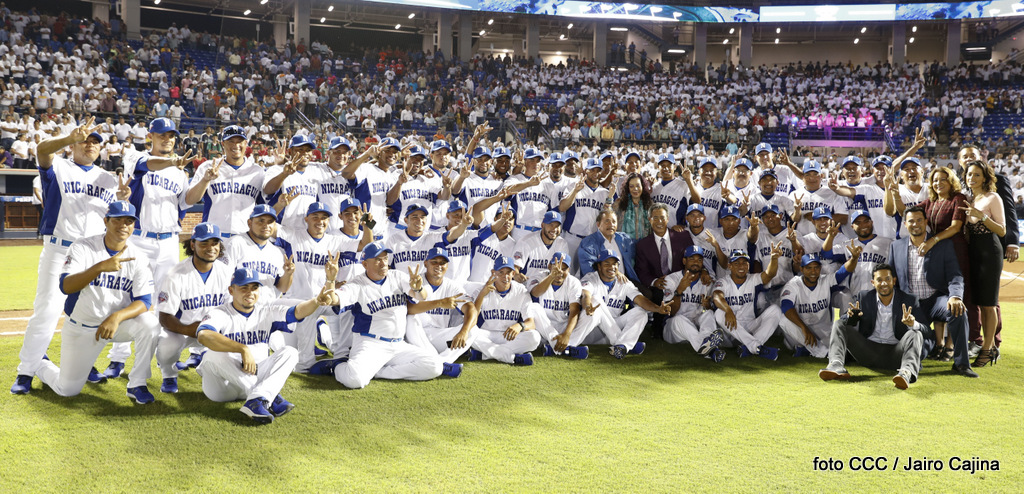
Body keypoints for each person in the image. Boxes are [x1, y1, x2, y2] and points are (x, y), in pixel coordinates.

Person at [12, 118, 126, 395]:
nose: (90, 145)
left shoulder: (108, 179)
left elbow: (113, 219)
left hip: (92, 254)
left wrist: (123, 197)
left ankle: (84, 364)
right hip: (60, 249)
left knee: (89, 312)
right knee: (48, 310)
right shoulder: (59, 166)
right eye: (85, 140)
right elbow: (41, 149)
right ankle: (26, 370)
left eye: (95, 142)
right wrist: (68, 138)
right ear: (74, 144)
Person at [33, 202, 159, 403]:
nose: (123, 225)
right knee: (67, 389)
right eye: (117, 219)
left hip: (116, 326)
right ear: (106, 221)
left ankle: (137, 384)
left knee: (150, 324)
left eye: (129, 221)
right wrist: (100, 267)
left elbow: (144, 301)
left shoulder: (139, 257)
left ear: (134, 226)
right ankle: (40, 363)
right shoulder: (83, 247)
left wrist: (116, 317)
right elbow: (66, 286)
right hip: (82, 327)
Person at [194, 267, 333, 423]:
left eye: (254, 288)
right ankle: (269, 397)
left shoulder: (266, 312)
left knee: (290, 352)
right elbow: (203, 335)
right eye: (244, 288)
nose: (250, 292)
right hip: (222, 387)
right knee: (213, 354)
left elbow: (297, 312)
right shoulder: (220, 313)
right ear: (231, 290)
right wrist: (242, 349)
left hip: (254, 376)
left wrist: (316, 302)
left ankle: (258, 399)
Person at [309, 242, 458, 388]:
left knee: (435, 366)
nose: (383, 263)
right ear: (365, 264)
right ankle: (337, 366)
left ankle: (378, 372)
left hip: (398, 345)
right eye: (377, 259)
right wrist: (331, 280)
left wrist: (418, 289)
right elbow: (333, 300)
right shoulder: (357, 284)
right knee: (355, 380)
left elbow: (420, 296)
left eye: (385, 258)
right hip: (370, 344)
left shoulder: (397, 276)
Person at [888, 206, 978, 378]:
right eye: (911, 221)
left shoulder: (943, 245)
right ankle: (916, 360)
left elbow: (955, 275)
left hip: (936, 300)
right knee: (920, 339)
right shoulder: (896, 246)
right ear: (905, 224)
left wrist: (955, 296)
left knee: (958, 311)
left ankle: (961, 364)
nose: (915, 224)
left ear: (926, 222)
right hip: (912, 305)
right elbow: (891, 278)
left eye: (919, 220)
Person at [818, 264, 930, 390]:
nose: (884, 283)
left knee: (916, 333)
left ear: (894, 281)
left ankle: (906, 373)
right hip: (868, 352)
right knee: (839, 323)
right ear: (873, 282)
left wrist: (913, 324)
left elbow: (928, 332)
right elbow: (846, 319)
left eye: (887, 279)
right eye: (879, 280)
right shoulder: (864, 297)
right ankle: (836, 365)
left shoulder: (909, 300)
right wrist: (850, 316)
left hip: (896, 354)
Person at [154, 223, 232, 393]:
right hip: (183, 329)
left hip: (214, 329)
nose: (210, 248)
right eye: (204, 243)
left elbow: (232, 308)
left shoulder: (225, 272)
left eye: (215, 243)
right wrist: (188, 329)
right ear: (192, 244)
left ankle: (208, 363)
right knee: (167, 346)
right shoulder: (175, 274)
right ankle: (169, 375)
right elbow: (164, 317)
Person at [579, 250, 671, 359]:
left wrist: (658, 309)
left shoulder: (623, 282)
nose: (611, 267)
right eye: (607, 264)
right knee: (596, 300)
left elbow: (640, 299)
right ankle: (627, 344)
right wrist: (588, 305)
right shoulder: (591, 278)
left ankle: (622, 346)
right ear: (599, 266)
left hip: (612, 330)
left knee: (641, 312)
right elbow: (586, 294)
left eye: (614, 264)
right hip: (592, 332)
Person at [918, 167, 968, 360]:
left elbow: (956, 227)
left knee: (953, 296)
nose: (938, 183)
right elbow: (908, 211)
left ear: (951, 181)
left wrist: (932, 240)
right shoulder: (931, 201)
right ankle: (938, 343)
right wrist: (894, 192)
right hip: (937, 253)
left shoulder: (958, 199)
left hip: (955, 250)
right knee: (938, 293)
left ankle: (950, 345)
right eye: (935, 180)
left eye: (943, 179)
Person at [960, 161, 1005, 366]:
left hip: (989, 252)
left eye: (977, 174)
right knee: (980, 303)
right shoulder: (970, 198)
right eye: (969, 174)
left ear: (985, 178)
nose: (972, 178)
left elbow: (1002, 230)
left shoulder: (992, 197)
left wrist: (982, 216)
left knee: (989, 304)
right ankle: (989, 346)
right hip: (974, 253)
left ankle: (987, 350)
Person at [403, 247, 478, 368]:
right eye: (434, 262)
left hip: (438, 335)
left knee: (473, 330)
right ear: (426, 263)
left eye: (443, 263)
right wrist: (440, 303)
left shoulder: (452, 286)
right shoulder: (415, 281)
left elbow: (471, 309)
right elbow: (409, 309)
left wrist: (464, 331)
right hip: (415, 336)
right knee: (411, 318)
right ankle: (438, 363)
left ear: (447, 266)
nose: (439, 266)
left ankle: (443, 362)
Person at [779, 247, 860, 359]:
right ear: (801, 269)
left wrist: (854, 259)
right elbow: (786, 306)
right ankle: (824, 353)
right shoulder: (793, 284)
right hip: (798, 333)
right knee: (783, 319)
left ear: (820, 268)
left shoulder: (826, 280)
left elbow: (843, 272)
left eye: (816, 267)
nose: (813, 271)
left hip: (823, 333)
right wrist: (804, 328)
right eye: (809, 268)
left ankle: (805, 351)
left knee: (841, 344)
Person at [186, 125, 266, 236]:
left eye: (239, 141)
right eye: (231, 141)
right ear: (223, 144)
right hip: (214, 237)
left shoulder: (257, 171)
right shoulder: (208, 167)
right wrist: (205, 180)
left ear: (246, 143)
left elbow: (264, 207)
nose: (236, 145)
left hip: (246, 237)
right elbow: (190, 200)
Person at [711, 248, 784, 360]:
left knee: (775, 310)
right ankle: (757, 347)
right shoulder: (723, 281)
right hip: (730, 331)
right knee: (719, 313)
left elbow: (769, 274)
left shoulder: (753, 279)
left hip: (750, 329)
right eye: (737, 263)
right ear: (730, 266)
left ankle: (748, 348)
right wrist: (728, 310)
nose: (741, 266)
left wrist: (774, 259)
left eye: (744, 263)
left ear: (748, 266)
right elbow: (717, 296)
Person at [470, 256, 543, 366]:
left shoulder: (521, 291)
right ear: (493, 273)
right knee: (469, 332)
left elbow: (531, 323)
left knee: (535, 337)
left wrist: (520, 326)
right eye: (501, 272)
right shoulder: (481, 290)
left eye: (508, 272)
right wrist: (481, 295)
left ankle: (484, 355)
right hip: (487, 335)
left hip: (509, 336)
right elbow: (471, 320)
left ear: (513, 274)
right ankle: (512, 357)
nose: (505, 276)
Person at [662, 246, 721, 361]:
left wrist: (708, 306)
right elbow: (670, 312)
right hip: (674, 328)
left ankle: (706, 346)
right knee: (678, 319)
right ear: (684, 261)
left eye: (699, 260)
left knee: (709, 314)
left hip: (695, 325)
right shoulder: (672, 279)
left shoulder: (707, 282)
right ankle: (711, 349)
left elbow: (710, 309)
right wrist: (679, 291)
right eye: (692, 259)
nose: (696, 262)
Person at [528, 252, 590, 359]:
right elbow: (535, 293)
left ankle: (558, 346)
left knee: (593, 311)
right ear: (549, 266)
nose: (559, 272)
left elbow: (574, 310)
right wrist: (551, 277)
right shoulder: (539, 276)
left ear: (569, 270)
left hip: (564, 326)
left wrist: (567, 334)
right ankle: (567, 348)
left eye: (564, 269)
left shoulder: (573, 282)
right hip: (544, 328)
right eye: (556, 268)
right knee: (534, 308)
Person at [578, 208, 637, 281]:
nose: (611, 224)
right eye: (607, 221)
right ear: (598, 224)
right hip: (600, 283)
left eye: (614, 221)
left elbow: (639, 250)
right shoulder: (588, 243)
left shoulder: (623, 239)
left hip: (625, 282)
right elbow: (589, 270)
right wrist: (615, 273)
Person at [614, 172, 653, 242]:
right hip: (625, 245)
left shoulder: (649, 204)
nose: (635, 189)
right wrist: (610, 196)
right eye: (631, 186)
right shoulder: (620, 203)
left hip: (645, 244)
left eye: (638, 186)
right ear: (628, 188)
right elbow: (607, 216)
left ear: (642, 186)